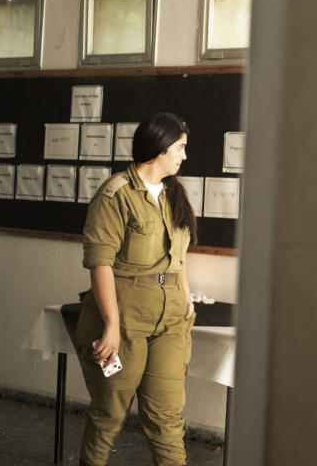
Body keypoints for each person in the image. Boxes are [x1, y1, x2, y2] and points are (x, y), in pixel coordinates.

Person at [75, 112, 198, 466]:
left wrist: (186, 295)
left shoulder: (174, 193)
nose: (184, 156)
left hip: (171, 320)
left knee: (167, 420)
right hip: (126, 318)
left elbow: (180, 253)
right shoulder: (115, 195)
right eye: (180, 148)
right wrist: (111, 326)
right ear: (159, 148)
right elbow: (100, 263)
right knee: (109, 415)